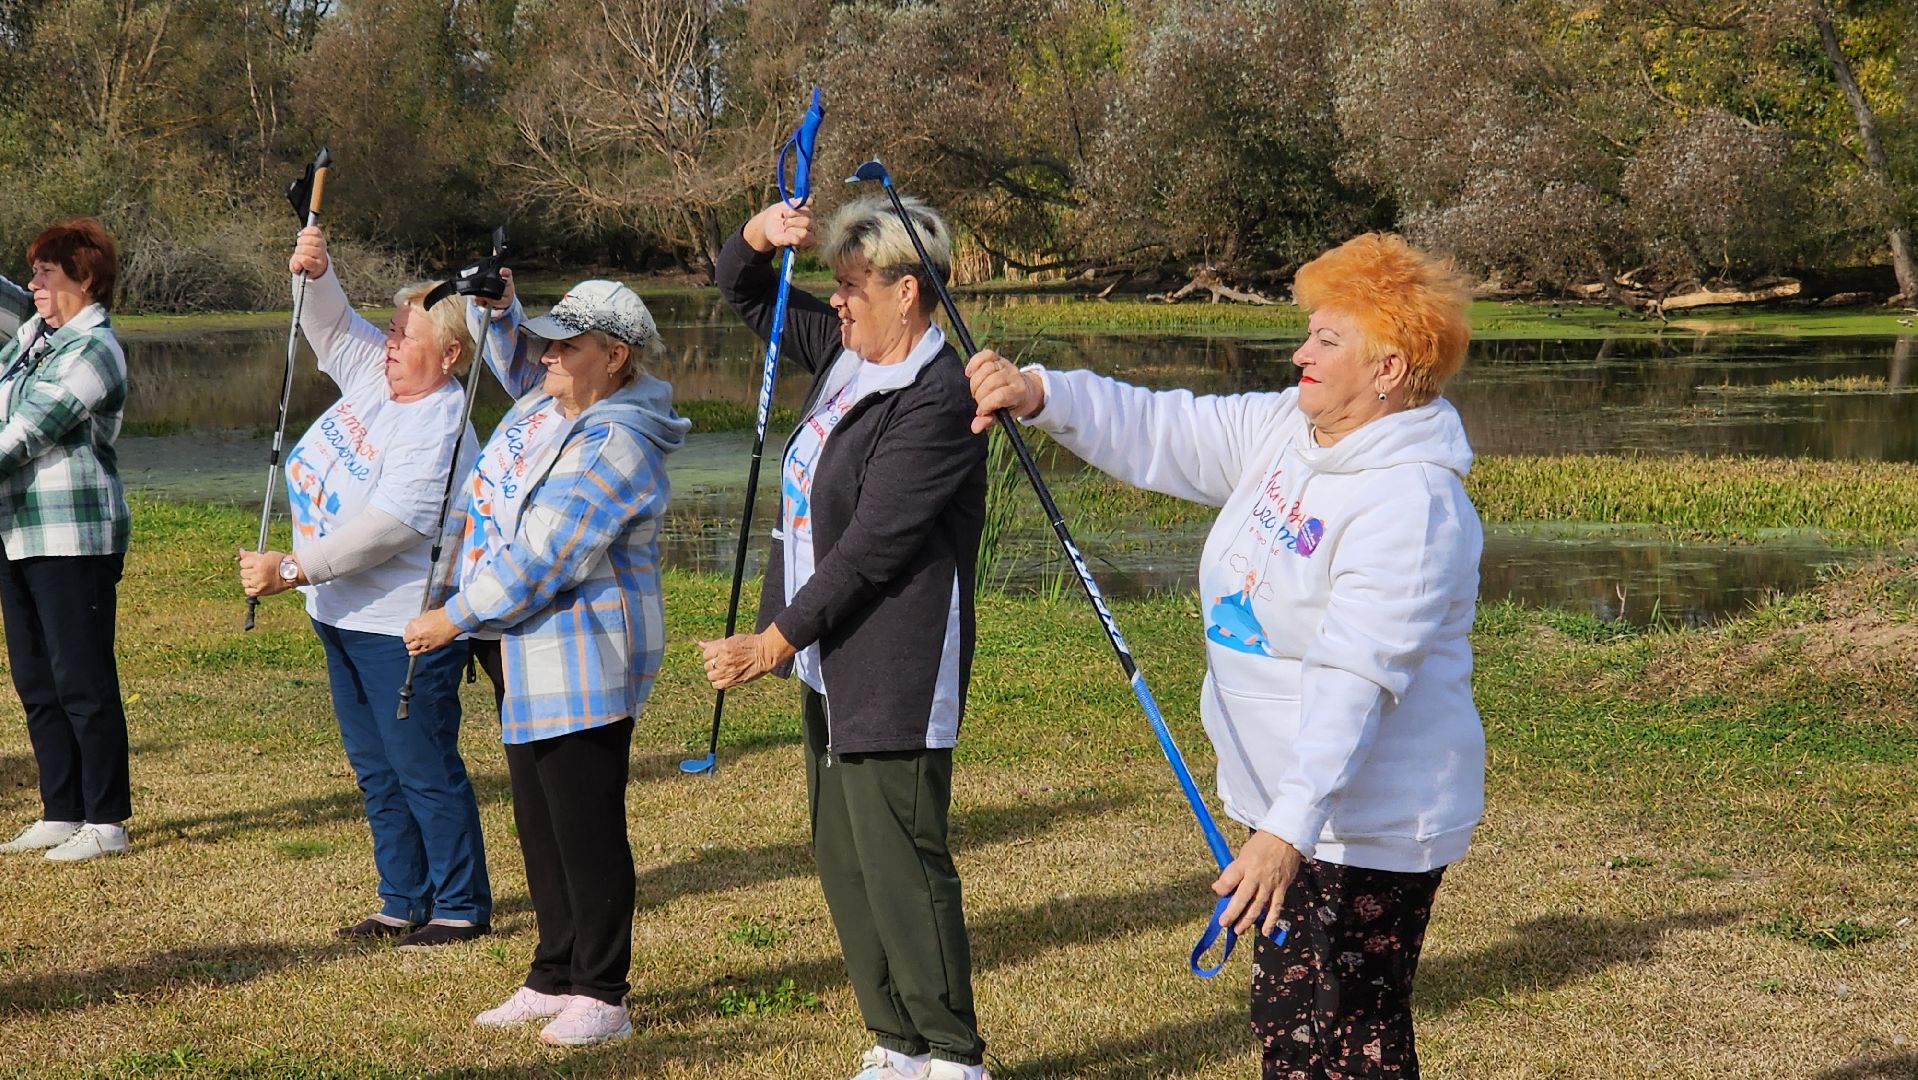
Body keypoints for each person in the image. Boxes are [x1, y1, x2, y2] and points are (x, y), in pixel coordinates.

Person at [967, 233, 1485, 1079]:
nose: (1300, 352)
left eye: (1328, 339)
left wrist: (1287, 830)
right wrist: (1039, 395)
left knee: (1349, 1037)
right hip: (1289, 809)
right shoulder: (1290, 429)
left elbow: (1355, 680)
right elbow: (1166, 427)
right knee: (1287, 1021)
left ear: (1389, 367)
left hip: (1367, 825)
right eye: (1307, 331)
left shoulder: (1411, 505)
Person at [700, 195, 991, 1080]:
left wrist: (773, 641)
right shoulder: (842, 356)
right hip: (830, 656)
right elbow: (745, 291)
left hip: (894, 661)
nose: (837, 300)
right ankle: (895, 1040)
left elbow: (873, 546)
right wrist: (757, 234)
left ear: (908, 293)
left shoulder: (940, 397)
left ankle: (951, 1051)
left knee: (900, 854)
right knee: (843, 851)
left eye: (853, 284)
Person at [402, 279, 688, 1048]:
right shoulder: (548, 404)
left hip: (584, 650)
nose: (548, 353)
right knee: (538, 818)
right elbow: (515, 354)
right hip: (521, 647)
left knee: (584, 823)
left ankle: (603, 994)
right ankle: (552, 973)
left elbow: (545, 557)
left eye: (566, 343)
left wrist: (451, 616)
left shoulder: (617, 438)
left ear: (615, 356)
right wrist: (498, 305)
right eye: (548, 339)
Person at [236, 225, 491, 948]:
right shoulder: (382, 381)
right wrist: (313, 271)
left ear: (448, 355)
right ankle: (402, 897)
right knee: (376, 767)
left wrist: (292, 569)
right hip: (342, 617)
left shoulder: (442, 424)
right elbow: (329, 326)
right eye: (392, 329)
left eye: (404, 335)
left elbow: (393, 525)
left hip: (400, 625)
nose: (387, 342)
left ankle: (460, 906)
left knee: (421, 765)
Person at [0, 219, 135, 863]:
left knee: (82, 679)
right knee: (35, 677)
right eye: (32, 273)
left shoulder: (94, 349)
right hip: (18, 531)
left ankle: (106, 820)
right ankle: (61, 810)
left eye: (46, 274)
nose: (34, 285)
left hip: (74, 535)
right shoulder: (33, 339)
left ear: (84, 280)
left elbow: (29, 430)